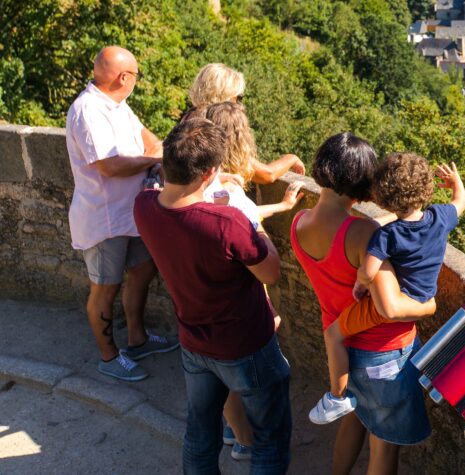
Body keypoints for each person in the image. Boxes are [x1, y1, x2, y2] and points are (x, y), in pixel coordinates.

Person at [134, 118, 292, 475]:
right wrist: (253, 223)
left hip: (193, 342)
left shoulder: (143, 206)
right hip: (245, 345)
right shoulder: (226, 222)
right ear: (209, 173)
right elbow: (271, 272)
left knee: (200, 435)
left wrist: (213, 184)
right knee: (269, 439)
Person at [290, 135, 435, 474]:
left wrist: (374, 226)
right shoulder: (363, 234)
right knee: (384, 445)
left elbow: (346, 239)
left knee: (356, 416)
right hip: (384, 352)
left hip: (342, 348)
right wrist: (429, 307)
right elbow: (391, 308)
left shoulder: (300, 224)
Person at [65, 46, 179, 382]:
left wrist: (151, 155)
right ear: (124, 77)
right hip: (105, 220)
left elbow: (153, 142)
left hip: (132, 214)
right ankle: (108, 357)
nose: (136, 82)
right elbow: (111, 166)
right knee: (105, 289)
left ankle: (137, 339)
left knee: (142, 272)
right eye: (136, 76)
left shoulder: (118, 106)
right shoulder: (88, 110)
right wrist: (149, 161)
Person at [202, 100, 303, 461]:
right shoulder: (231, 194)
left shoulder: (197, 185)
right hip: (239, 294)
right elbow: (265, 265)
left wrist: (278, 208)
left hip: (204, 294)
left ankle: (234, 432)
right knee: (245, 371)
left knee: (222, 366)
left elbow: (239, 213)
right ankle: (247, 440)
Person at [186, 63, 305, 184]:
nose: (239, 104)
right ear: (225, 96)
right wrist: (291, 159)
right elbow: (267, 174)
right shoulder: (216, 125)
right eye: (238, 97)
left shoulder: (190, 117)